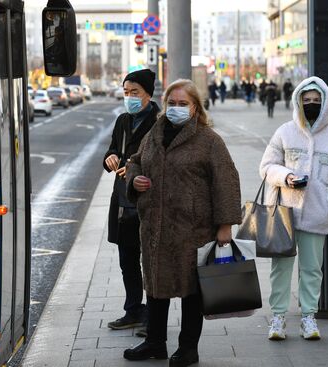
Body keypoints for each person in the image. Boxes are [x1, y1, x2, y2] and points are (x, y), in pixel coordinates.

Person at [123, 79, 242, 366]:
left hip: (193, 230)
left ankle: (188, 348)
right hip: (156, 227)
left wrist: (225, 226)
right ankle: (155, 342)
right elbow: (136, 161)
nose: (176, 108)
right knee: (154, 286)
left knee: (191, 290)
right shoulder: (155, 132)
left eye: (182, 104)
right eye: (172, 104)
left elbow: (227, 182)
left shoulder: (208, 140)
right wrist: (134, 179)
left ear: (195, 107)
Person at [260, 76, 328, 341]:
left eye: (316, 101)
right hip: (284, 212)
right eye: (306, 100)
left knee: (312, 268)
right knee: (281, 268)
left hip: (318, 213)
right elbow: (266, 166)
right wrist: (285, 176)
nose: (311, 104)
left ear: (325, 103)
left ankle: (308, 317)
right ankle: (278, 318)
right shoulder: (285, 131)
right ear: (298, 102)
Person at [103, 69, 159, 334]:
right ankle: (133, 310)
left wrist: (137, 170)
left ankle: (153, 317)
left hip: (150, 201)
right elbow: (114, 149)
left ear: (148, 93)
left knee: (151, 261)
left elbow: (165, 163)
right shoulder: (123, 120)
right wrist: (111, 158)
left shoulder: (160, 122)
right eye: (126, 93)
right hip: (124, 201)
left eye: (134, 93)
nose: (130, 97)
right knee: (127, 259)